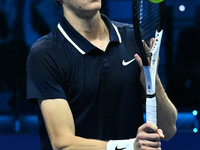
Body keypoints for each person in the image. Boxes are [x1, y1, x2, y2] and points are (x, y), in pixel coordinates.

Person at [26, 0, 177, 150]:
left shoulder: (133, 39)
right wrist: (129, 146)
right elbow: (62, 143)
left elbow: (169, 130)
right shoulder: (45, 54)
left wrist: (152, 81)